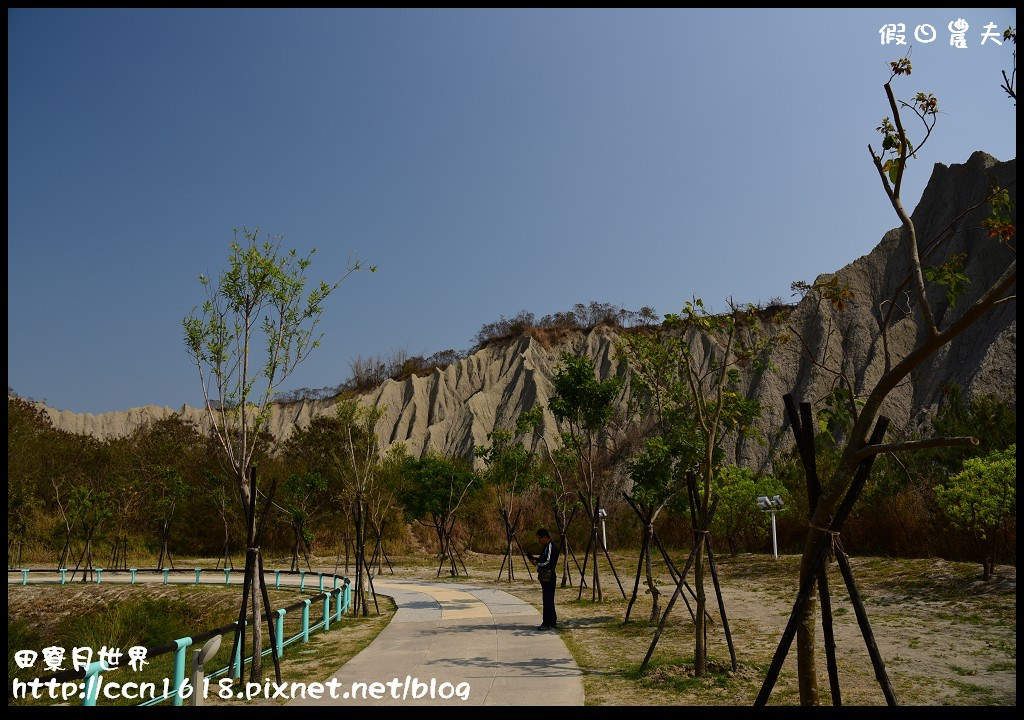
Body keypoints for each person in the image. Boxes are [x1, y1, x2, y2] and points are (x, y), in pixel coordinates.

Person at [529, 528, 559, 631]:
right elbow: (543, 559)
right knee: (548, 599)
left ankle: (547, 623)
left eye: (540, 538)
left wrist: (537, 563)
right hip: (546, 577)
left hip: (549, 577)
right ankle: (552, 620)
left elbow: (548, 562)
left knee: (548, 600)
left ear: (545, 537)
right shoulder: (546, 547)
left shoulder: (550, 547)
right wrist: (535, 559)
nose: (539, 541)